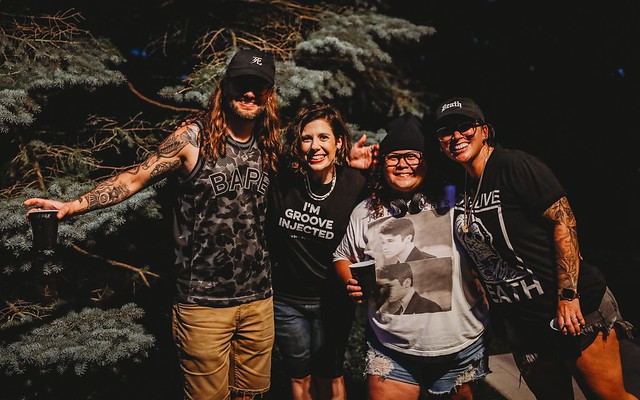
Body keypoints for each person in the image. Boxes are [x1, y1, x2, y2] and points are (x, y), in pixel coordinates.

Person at [24, 48, 281, 400]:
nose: (250, 93)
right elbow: (134, 178)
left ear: (269, 94)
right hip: (203, 304)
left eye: (259, 87)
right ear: (225, 86)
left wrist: (352, 164)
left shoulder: (270, 142)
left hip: (258, 302)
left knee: (251, 395)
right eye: (242, 84)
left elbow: (317, 165)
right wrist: (73, 205)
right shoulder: (192, 140)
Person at [433, 96, 637, 400]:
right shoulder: (460, 186)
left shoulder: (514, 166)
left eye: (465, 127)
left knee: (610, 397)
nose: (456, 136)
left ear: (485, 131)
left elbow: (563, 220)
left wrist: (568, 296)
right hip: (525, 326)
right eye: (446, 132)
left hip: (573, 311)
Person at [333, 113, 490, 400]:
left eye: (412, 156)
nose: (402, 164)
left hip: (460, 347)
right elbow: (342, 255)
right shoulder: (365, 211)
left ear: (426, 161)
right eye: (393, 157)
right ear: (382, 164)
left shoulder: (454, 199)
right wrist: (349, 282)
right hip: (390, 350)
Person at [267, 102, 375, 400]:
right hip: (287, 303)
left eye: (323, 137)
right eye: (307, 138)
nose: (315, 146)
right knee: (299, 376)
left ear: (339, 142)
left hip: (333, 302)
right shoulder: (282, 181)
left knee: (331, 375)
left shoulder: (357, 184)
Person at [376, 262, 443, 315]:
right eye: (382, 287)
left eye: (389, 286)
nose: (383, 291)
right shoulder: (396, 315)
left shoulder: (430, 309)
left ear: (407, 283)